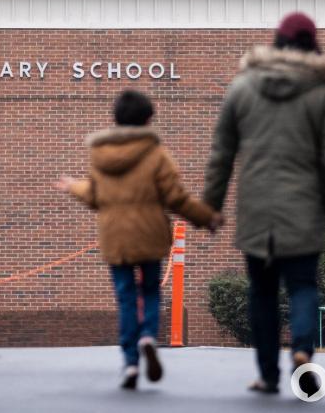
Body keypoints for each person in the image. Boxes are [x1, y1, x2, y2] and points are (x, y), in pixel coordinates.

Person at [202, 12, 325, 396]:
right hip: (304, 207)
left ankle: (267, 375)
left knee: (262, 292)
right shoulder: (324, 91)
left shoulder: (244, 86)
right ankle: (301, 349)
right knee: (302, 285)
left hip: (257, 210)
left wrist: (211, 206)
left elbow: (222, 152)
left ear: (276, 43)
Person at [56, 90, 221, 390]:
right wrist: (205, 217)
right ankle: (148, 336)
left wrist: (73, 186)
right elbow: (176, 197)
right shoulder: (156, 154)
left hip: (115, 236)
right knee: (150, 291)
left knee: (126, 297)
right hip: (149, 235)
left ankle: (131, 362)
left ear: (115, 119)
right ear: (147, 120)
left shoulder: (100, 154)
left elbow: (95, 196)